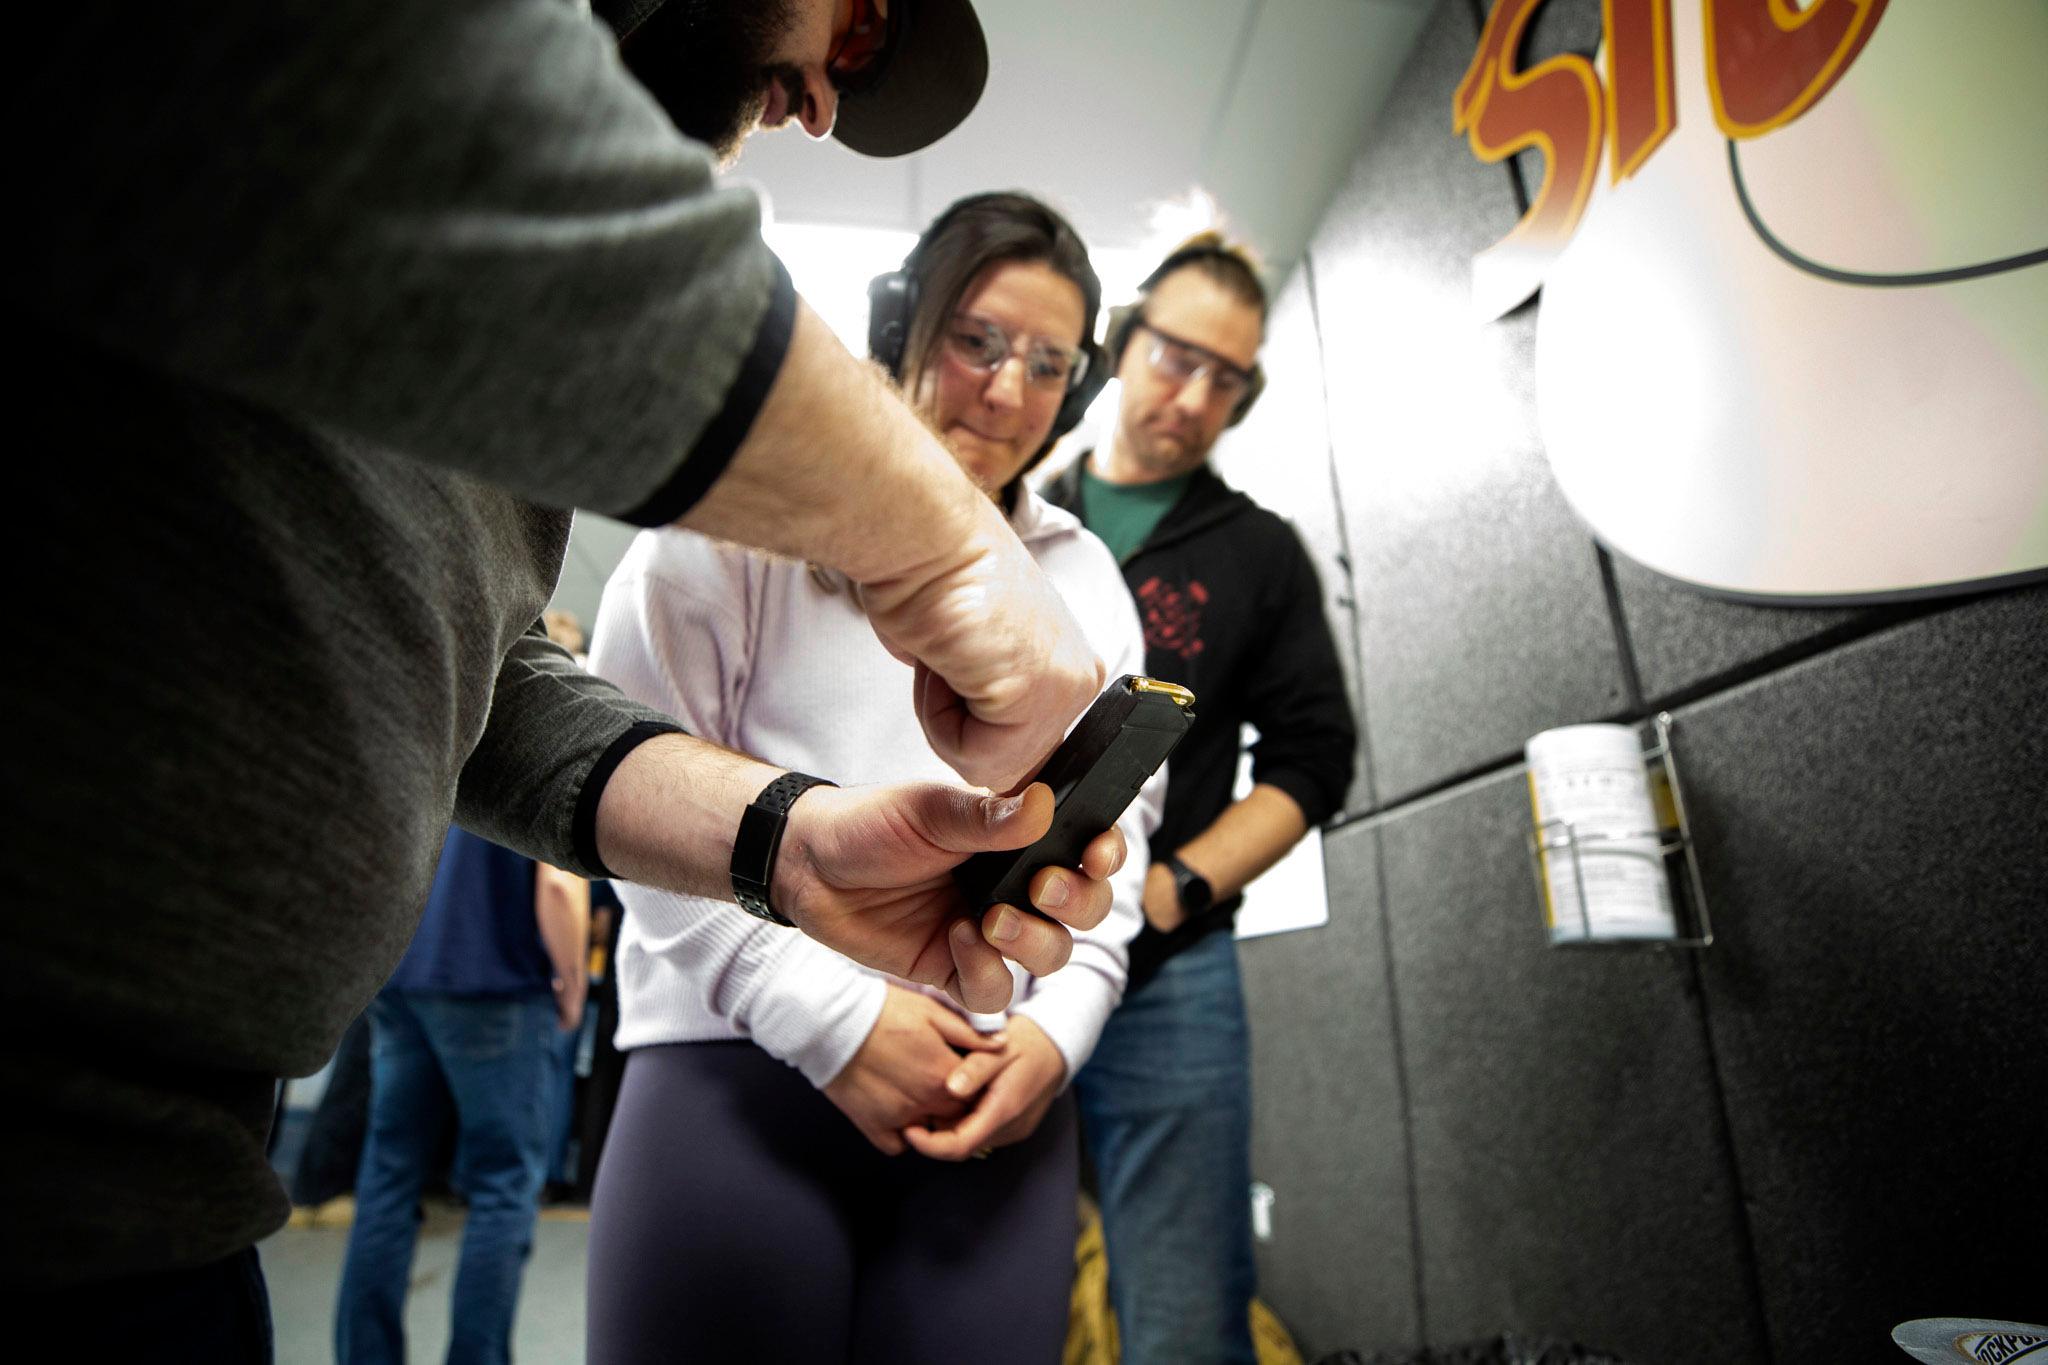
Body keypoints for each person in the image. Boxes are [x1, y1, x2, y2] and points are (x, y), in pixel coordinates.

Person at [6, 1, 1126, 1352]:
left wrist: (783, 844)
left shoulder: (473, 367)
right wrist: (941, 548)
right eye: (864, 11)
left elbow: (491, 686)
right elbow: (381, 89)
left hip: (160, 1186)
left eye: (1050, 365)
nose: (826, 105)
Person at [582, 192, 1157, 1363]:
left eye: (1049, 364)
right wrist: (831, 1016)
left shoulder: (1085, 576)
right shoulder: (737, 522)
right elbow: (625, 788)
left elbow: (1117, 845)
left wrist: (1060, 1032)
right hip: (725, 1062)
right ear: (902, 323)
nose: (1007, 389)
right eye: (977, 340)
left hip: (988, 1081)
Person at [1042, 235, 1358, 1364]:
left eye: (1228, 376)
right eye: (1176, 356)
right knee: (980, 1293)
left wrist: (1174, 891)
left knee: (1181, 1319)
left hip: (1168, 975)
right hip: (991, 951)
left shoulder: (1257, 552)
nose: (1194, 395)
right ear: (1123, 342)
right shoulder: (1017, 505)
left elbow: (1315, 756)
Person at [333, 827, 588, 1364]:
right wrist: (572, 985)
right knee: (503, 1183)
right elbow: (560, 887)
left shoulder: (426, 740)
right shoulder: (529, 743)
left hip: (402, 977)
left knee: (388, 1175)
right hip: (498, 988)